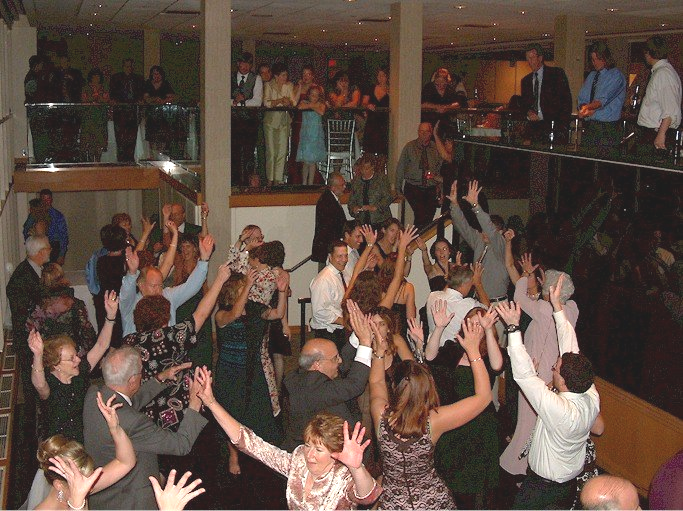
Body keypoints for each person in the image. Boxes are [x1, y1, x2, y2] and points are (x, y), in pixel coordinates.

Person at [354, 300, 492, 509]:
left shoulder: (381, 416)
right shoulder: (433, 421)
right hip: (432, 503)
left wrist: (379, 352)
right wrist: (474, 351)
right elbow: (484, 398)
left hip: (394, 504)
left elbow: (375, 382)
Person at [195, 365, 382, 511]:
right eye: (308, 445)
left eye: (318, 450)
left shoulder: (342, 476)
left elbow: (367, 496)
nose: (310, 454)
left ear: (335, 453)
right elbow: (250, 443)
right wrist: (211, 403)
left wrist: (356, 468)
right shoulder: (298, 461)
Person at [497, 278, 599, 510]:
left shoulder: (557, 408)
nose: (553, 367)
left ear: (562, 381)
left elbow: (524, 376)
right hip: (568, 486)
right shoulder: (590, 394)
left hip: (542, 489)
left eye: (556, 368)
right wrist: (557, 307)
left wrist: (513, 329)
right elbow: (570, 346)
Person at [83, 350, 208, 510]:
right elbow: (181, 444)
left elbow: (125, 404)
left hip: (102, 499)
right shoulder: (135, 423)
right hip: (131, 502)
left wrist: (159, 379)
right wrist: (195, 402)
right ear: (133, 380)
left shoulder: (94, 394)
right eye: (141, 371)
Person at [122, 261, 231, 429]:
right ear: (165, 317)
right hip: (179, 411)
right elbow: (201, 313)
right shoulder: (172, 337)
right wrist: (220, 280)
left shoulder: (130, 342)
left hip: (145, 414)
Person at [419, 305, 503, 509]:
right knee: (449, 480)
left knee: (475, 487)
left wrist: (489, 333)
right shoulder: (454, 349)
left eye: (479, 324)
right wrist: (438, 328)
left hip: (479, 428)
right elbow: (430, 357)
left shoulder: (486, 353)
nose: (474, 327)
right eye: (471, 322)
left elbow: (497, 365)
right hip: (453, 425)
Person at [500, 269, 579, 481]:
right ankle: (530, 462)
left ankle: (519, 465)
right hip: (555, 374)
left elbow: (518, 298)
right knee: (539, 423)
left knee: (527, 421)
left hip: (536, 372)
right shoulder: (572, 309)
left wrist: (526, 275)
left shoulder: (544, 309)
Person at [28, 291, 117, 443]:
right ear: (56, 365)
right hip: (60, 447)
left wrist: (110, 317)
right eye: (71, 359)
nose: (78, 360)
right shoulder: (50, 383)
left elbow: (102, 345)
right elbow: (40, 384)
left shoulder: (79, 371)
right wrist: (37, 355)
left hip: (85, 441)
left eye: (76, 355)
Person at [30, 393, 135, 511]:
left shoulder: (81, 485)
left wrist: (115, 429)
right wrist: (77, 505)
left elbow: (126, 462)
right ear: (59, 485)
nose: (88, 485)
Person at [281, 329, 371, 453]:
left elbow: (341, 364)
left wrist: (357, 335)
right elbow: (355, 385)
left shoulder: (301, 376)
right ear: (317, 364)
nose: (339, 361)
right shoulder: (313, 388)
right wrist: (365, 343)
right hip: (317, 453)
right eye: (335, 358)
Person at [118, 234, 212, 336]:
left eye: (160, 285)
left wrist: (204, 260)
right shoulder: (131, 303)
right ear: (141, 285)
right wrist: (132, 273)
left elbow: (191, 286)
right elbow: (126, 294)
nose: (158, 290)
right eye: (154, 286)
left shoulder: (167, 296)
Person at [449, 180, 510, 305]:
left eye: (487, 231)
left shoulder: (502, 245)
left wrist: (475, 205)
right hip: (478, 301)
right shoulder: (479, 240)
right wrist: (454, 204)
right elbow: (463, 227)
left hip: (497, 304)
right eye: (482, 230)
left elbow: (489, 228)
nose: (484, 234)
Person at [577, 42, 627, 152]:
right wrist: (583, 107)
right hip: (591, 127)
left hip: (607, 129)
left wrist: (588, 109)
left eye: (598, 59)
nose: (595, 63)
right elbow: (582, 98)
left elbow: (603, 100)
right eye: (593, 59)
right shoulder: (592, 76)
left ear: (605, 57)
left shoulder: (616, 76)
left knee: (605, 164)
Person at [425, 263, 488, 351]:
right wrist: (478, 284)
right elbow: (487, 309)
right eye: (470, 285)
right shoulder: (469, 305)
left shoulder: (432, 296)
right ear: (464, 284)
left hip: (432, 351)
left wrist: (455, 275)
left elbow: (446, 290)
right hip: (455, 356)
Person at [636, 36, 682, 155]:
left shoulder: (663, 74)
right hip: (653, 131)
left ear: (649, 53)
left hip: (655, 133)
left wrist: (661, 134)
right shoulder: (662, 72)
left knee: (649, 172)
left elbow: (671, 109)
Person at [520, 43, 573, 144]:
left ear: (540, 58)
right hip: (533, 128)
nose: (529, 62)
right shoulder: (526, 81)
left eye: (532, 58)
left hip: (553, 127)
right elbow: (524, 104)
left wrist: (562, 126)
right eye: (527, 59)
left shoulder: (556, 74)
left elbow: (565, 101)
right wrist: (528, 112)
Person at [396, 122, 442, 229]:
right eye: (421, 131)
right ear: (418, 132)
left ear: (431, 133)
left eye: (427, 131)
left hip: (430, 188)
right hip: (413, 187)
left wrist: (440, 189)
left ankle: (418, 239)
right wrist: (398, 189)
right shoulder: (410, 147)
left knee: (429, 217)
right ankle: (417, 240)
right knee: (420, 215)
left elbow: (440, 169)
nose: (424, 134)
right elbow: (401, 168)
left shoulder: (436, 148)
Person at [263, 62, 299, 185]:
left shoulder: (288, 86)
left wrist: (287, 101)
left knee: (282, 151)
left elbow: (294, 102)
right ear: (276, 76)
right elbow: (266, 103)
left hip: (284, 121)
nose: (285, 78)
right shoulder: (268, 85)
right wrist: (279, 100)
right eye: (283, 75)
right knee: (271, 152)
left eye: (286, 75)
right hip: (270, 122)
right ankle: (270, 179)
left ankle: (278, 180)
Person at [310, 240, 350, 348]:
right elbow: (319, 311)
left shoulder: (342, 274)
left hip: (339, 331)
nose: (344, 260)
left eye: (346, 256)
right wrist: (343, 321)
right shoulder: (324, 279)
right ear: (330, 257)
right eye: (340, 256)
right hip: (327, 333)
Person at [232, 52, 264, 185]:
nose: (245, 66)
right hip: (232, 121)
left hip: (250, 121)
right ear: (238, 63)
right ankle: (234, 181)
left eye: (248, 64)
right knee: (233, 152)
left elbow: (257, 101)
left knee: (248, 152)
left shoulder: (256, 78)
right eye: (243, 63)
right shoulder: (230, 77)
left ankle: (247, 182)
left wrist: (242, 101)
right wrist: (234, 102)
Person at [109, 59, 145, 162]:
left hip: (133, 112)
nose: (128, 68)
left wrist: (139, 103)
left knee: (131, 138)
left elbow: (140, 94)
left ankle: (130, 160)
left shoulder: (138, 78)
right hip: (120, 112)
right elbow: (112, 94)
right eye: (126, 66)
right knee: (120, 138)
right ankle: (121, 160)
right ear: (123, 66)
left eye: (130, 66)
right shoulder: (116, 78)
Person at [311, 172, 347, 270]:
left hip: (327, 248)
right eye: (341, 185)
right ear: (333, 187)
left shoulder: (329, 199)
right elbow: (330, 228)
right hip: (328, 249)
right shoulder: (327, 202)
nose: (344, 187)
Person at [23, 189, 68, 266]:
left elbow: (63, 236)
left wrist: (61, 255)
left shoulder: (58, 216)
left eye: (48, 199)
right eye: (44, 199)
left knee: (52, 272)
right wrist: (31, 240)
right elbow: (26, 230)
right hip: (38, 247)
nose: (46, 202)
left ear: (51, 200)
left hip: (54, 246)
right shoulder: (34, 214)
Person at [348, 153, 393, 230]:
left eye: (366, 169)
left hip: (380, 221)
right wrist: (353, 209)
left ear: (372, 167)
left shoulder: (381, 179)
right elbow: (351, 201)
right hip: (362, 222)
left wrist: (376, 207)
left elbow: (388, 197)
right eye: (362, 168)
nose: (363, 171)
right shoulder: (356, 182)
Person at [296, 84, 327, 185]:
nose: (314, 97)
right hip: (306, 135)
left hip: (316, 135)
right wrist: (312, 105)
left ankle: (310, 184)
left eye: (316, 95)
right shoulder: (304, 102)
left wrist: (311, 106)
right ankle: (304, 183)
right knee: (305, 161)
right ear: (308, 95)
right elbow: (300, 107)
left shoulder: (321, 104)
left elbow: (321, 112)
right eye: (312, 95)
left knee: (313, 161)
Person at [143, 65, 177, 155]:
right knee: (152, 136)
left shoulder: (165, 84)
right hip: (151, 114)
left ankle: (161, 154)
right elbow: (146, 97)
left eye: (158, 74)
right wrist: (154, 99)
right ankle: (152, 155)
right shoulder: (148, 84)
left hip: (163, 115)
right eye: (154, 74)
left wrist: (163, 101)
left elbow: (172, 97)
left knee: (162, 135)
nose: (156, 76)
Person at [80, 68, 110, 162]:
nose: (96, 78)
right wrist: (94, 98)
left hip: (100, 119)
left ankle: (98, 161)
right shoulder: (86, 87)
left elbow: (105, 99)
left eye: (97, 77)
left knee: (99, 142)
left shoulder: (104, 87)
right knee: (89, 141)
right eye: (94, 77)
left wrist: (95, 98)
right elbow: (84, 100)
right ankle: (89, 161)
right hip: (88, 119)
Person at [362, 67, 389, 155]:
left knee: (382, 149)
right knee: (370, 148)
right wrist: (368, 105)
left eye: (383, 76)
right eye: (379, 76)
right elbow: (364, 102)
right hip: (372, 120)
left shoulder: (391, 90)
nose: (380, 78)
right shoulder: (371, 88)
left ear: (387, 77)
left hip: (384, 122)